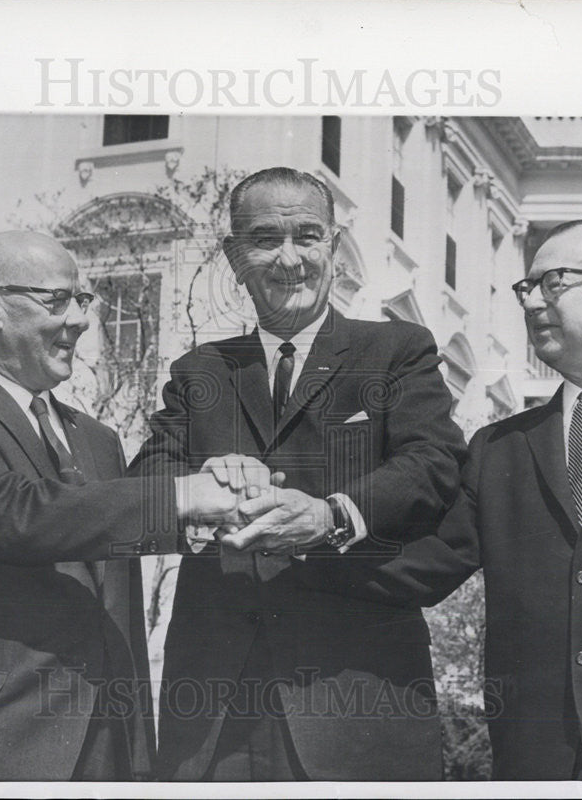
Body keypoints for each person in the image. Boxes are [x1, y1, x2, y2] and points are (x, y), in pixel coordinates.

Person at [0, 231, 276, 781]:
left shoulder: (99, 440)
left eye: (83, 300)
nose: (78, 320)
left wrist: (221, 498)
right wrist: (181, 495)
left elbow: (114, 568)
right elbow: (17, 516)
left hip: (106, 744)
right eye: (57, 299)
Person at [131, 168, 469, 781]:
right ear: (235, 257)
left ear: (333, 249)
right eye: (264, 239)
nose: (289, 259)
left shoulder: (396, 350)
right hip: (215, 706)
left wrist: (330, 516)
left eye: (307, 236)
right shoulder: (198, 370)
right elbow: (146, 480)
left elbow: (434, 462)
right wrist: (202, 485)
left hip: (354, 697)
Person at [350, 218, 582, 780]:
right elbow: (418, 568)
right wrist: (293, 532)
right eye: (526, 288)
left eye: (554, 282)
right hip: (539, 759)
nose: (532, 301)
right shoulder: (500, 448)